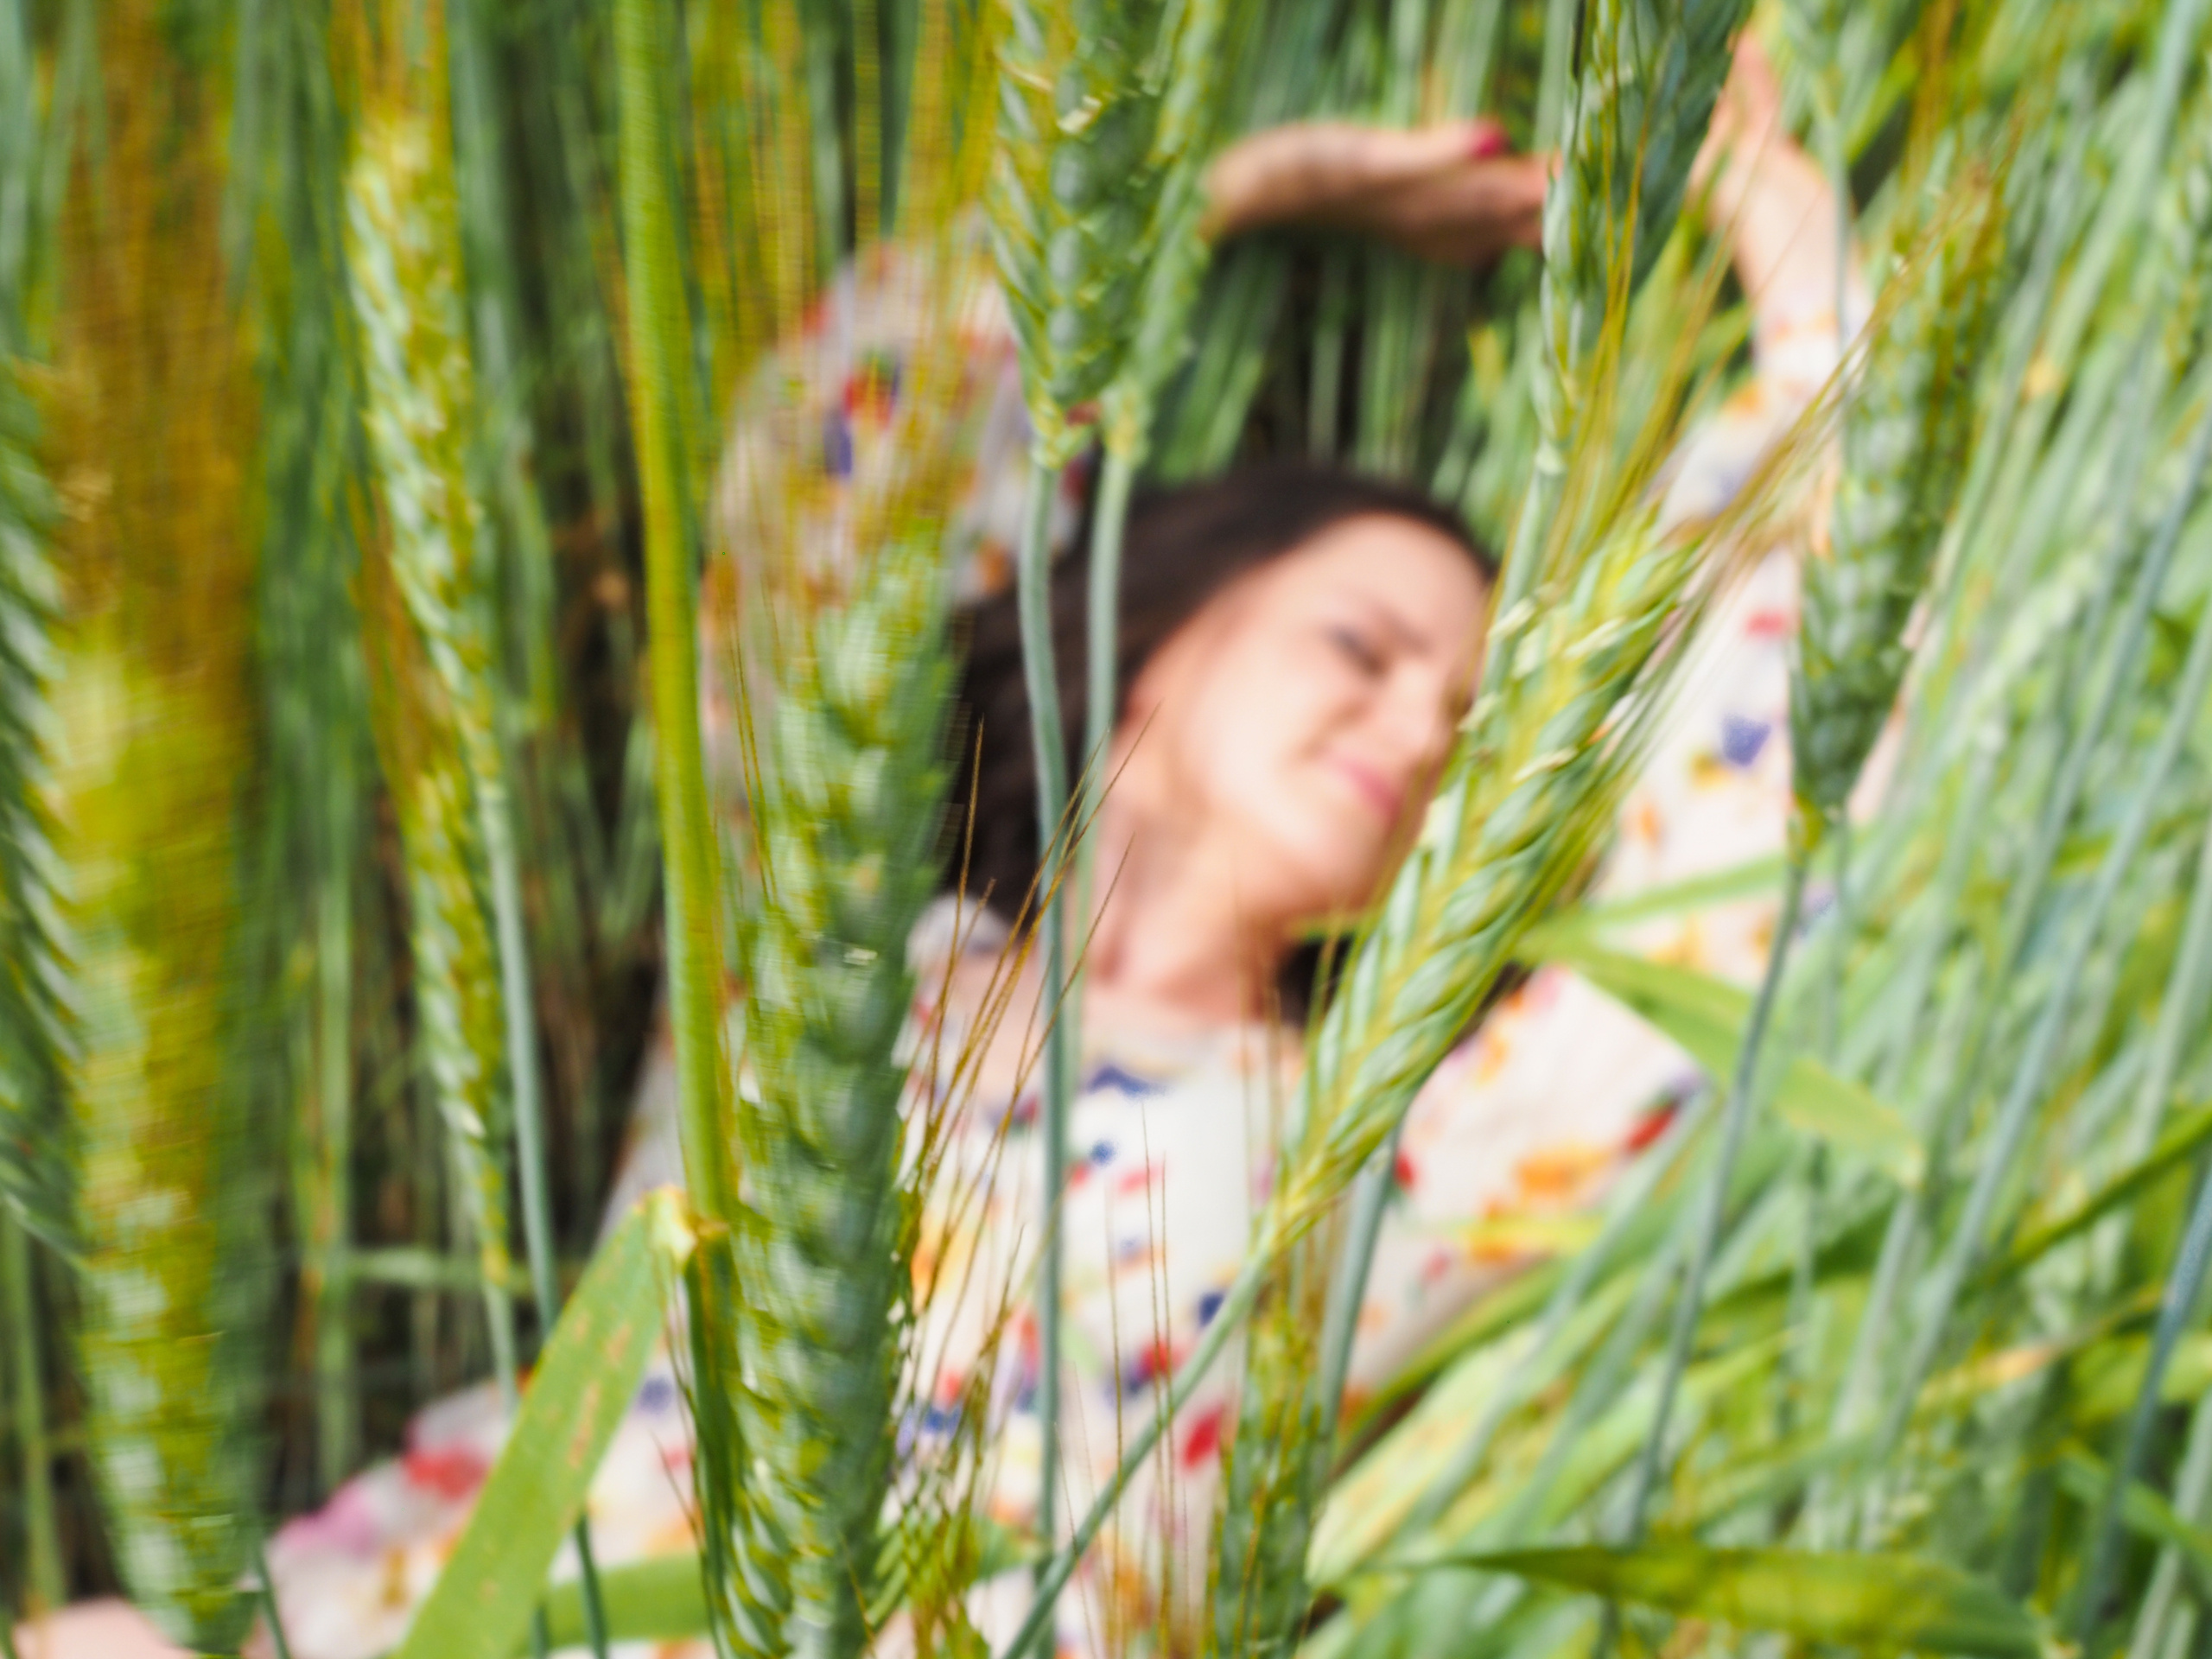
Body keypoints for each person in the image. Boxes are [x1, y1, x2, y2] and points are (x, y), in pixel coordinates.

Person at [35, 36, 1863, 1659]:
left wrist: (1791, 260)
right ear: (1155, 625)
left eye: (1463, 718)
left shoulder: (1390, 1153)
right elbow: (828, 480)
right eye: (1361, 647)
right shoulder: (824, 945)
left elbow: (1741, 834)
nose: (1413, 728)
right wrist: (1212, 197)